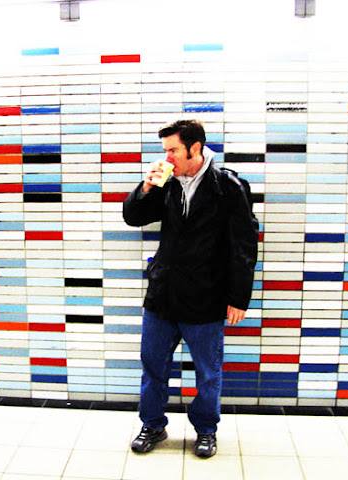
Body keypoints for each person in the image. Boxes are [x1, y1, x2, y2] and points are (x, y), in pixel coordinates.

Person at [123, 119, 258, 458]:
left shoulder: (227, 186)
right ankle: (152, 424)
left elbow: (243, 246)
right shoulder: (167, 182)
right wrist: (147, 187)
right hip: (163, 294)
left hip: (206, 296)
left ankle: (206, 430)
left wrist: (238, 297)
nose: (166, 157)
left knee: (208, 372)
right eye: (165, 150)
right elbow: (133, 217)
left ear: (194, 148)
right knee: (153, 366)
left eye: (173, 150)